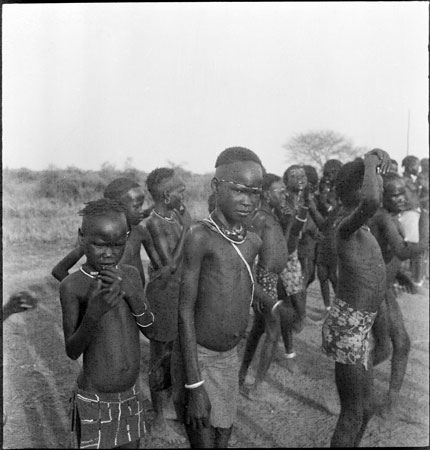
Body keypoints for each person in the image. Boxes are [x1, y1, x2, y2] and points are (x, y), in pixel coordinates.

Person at [172, 147, 273, 448]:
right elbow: (185, 311)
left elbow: (239, 286)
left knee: (223, 437)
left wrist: (273, 303)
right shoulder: (200, 237)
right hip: (198, 359)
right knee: (203, 439)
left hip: (229, 358)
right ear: (217, 187)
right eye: (239, 191)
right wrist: (194, 385)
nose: (248, 200)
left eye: (255, 193)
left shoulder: (252, 241)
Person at [60, 198, 154, 449]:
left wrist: (131, 293)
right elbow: (72, 351)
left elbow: (152, 329)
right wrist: (93, 314)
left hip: (131, 394)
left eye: (118, 244)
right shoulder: (73, 286)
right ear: (82, 237)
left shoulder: (131, 275)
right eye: (100, 245)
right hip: (94, 398)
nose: (110, 253)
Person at [321, 149, 390, 447]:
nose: (382, 186)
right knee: (352, 413)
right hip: (349, 327)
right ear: (357, 191)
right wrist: (371, 160)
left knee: (366, 408)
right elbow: (372, 200)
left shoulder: (362, 229)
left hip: (362, 324)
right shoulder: (345, 228)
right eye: (376, 181)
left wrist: (382, 332)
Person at [369, 172, 426, 418]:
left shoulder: (392, 217)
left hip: (384, 286)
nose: (400, 198)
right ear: (383, 197)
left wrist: (400, 276)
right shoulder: (382, 218)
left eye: (403, 193)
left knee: (398, 345)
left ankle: (389, 403)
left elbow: (388, 256)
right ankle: (353, 390)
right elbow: (401, 252)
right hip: (375, 288)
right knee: (386, 347)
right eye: (394, 195)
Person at [238, 173, 298, 400]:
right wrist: (255, 289)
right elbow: (247, 255)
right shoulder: (260, 218)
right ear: (265, 194)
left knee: (259, 330)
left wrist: (290, 220)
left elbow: (286, 243)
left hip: (272, 279)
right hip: (264, 280)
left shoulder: (270, 217)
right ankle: (256, 387)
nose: (284, 195)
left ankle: (242, 377)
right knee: (272, 332)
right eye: (279, 191)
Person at [144, 167, 191, 444]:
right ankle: (159, 420)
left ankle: (169, 410)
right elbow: (169, 265)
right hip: (163, 294)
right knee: (161, 356)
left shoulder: (171, 216)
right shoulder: (155, 223)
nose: (184, 194)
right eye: (180, 190)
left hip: (176, 293)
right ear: (166, 194)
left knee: (175, 353)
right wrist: (186, 230)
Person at [52, 178, 159, 284]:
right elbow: (59, 270)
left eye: (142, 205)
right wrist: (83, 293)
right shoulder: (99, 240)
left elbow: (158, 265)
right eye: (137, 207)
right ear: (117, 207)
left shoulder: (140, 232)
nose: (141, 211)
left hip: (136, 298)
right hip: (109, 299)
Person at [399, 155, 422, 284]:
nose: (418, 168)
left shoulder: (411, 181)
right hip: (408, 214)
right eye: (415, 165)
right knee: (409, 245)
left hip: (413, 213)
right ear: (409, 166)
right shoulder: (404, 181)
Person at [417, 158, 429, 282]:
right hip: (423, 211)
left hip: (425, 210)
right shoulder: (421, 176)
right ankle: (420, 275)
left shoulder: (423, 176)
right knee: (423, 241)